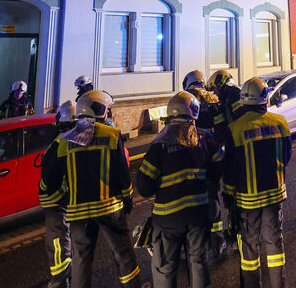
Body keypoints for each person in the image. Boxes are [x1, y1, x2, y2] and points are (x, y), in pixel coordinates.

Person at [40, 90, 141, 288]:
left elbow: (50, 179)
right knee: (123, 254)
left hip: (78, 212)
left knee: (81, 259)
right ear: (101, 110)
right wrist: (127, 200)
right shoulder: (112, 135)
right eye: (108, 109)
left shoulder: (65, 140)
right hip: (109, 208)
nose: (109, 114)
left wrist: (61, 197)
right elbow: (122, 174)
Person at [137, 92, 224, 288]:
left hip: (167, 217)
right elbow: (218, 170)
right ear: (194, 112)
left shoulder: (158, 144)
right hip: (198, 213)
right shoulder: (206, 138)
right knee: (198, 262)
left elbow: (144, 187)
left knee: (165, 268)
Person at [222, 77, 292, 288]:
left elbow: (230, 169)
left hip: (247, 201)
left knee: (249, 249)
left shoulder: (235, 129)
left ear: (243, 101)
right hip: (274, 196)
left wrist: (227, 194)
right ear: (265, 98)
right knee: (275, 246)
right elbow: (287, 156)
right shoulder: (280, 123)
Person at [181, 70, 230, 259]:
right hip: (210, 154)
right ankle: (218, 245)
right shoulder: (212, 99)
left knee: (190, 204)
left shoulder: (185, 98)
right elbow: (221, 128)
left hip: (190, 157)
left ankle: (190, 248)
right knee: (213, 201)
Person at [40, 101, 77, 288]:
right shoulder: (80, 139)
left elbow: (49, 177)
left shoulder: (59, 143)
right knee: (74, 240)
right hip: (75, 200)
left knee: (57, 243)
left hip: (58, 202)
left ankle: (60, 282)